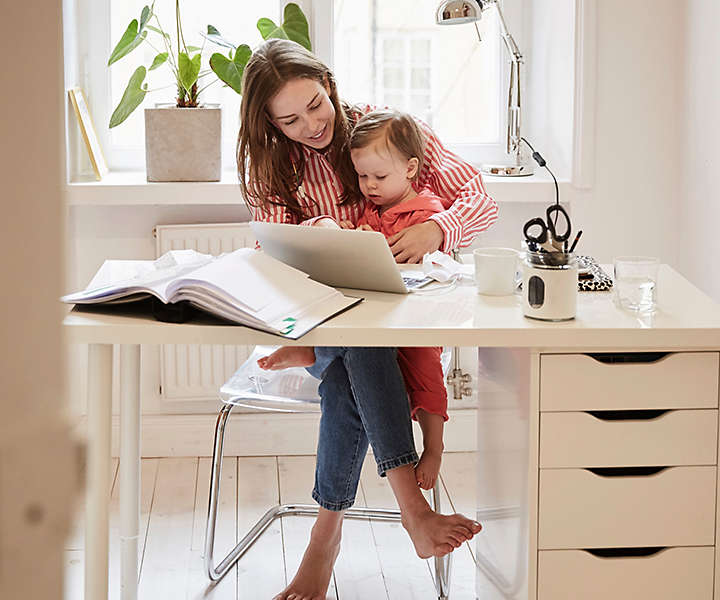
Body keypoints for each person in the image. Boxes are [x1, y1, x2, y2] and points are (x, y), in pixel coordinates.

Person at [238, 38, 497, 600]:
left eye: (316, 103)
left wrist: (441, 229)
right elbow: (273, 262)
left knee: (349, 372)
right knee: (357, 345)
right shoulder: (272, 171)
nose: (311, 123)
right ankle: (413, 510)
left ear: (328, 84)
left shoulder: (383, 128)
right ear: (268, 123)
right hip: (325, 321)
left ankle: (324, 538)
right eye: (290, 118)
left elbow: (479, 195)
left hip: (393, 324)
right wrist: (319, 242)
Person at [259, 109, 450, 491]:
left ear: (411, 169)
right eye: (362, 176)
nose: (369, 186)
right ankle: (313, 349)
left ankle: (433, 447)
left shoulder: (427, 213)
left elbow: (439, 268)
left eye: (379, 177)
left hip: (412, 322)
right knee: (354, 336)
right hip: (371, 322)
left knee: (427, 374)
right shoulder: (369, 209)